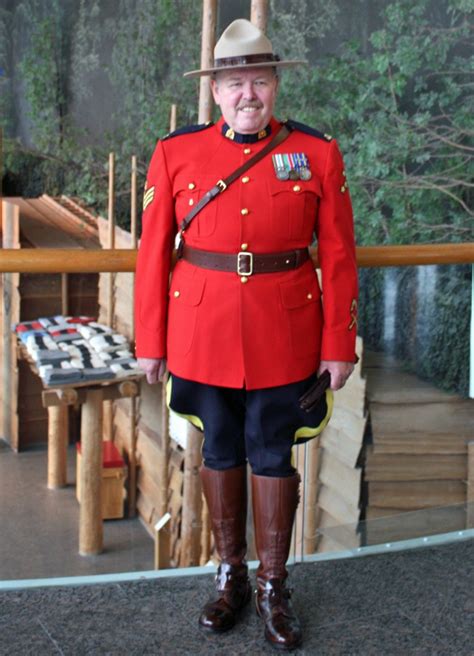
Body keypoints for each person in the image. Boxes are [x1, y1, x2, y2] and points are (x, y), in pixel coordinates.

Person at [135, 18, 358, 652]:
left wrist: (338, 343)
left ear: (275, 85)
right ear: (215, 91)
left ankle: (273, 585)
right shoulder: (175, 153)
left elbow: (339, 256)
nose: (248, 94)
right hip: (200, 330)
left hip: (286, 334)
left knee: (272, 452)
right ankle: (229, 574)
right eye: (235, 83)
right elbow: (153, 252)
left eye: (259, 80)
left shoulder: (317, 154)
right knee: (219, 450)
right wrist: (150, 339)